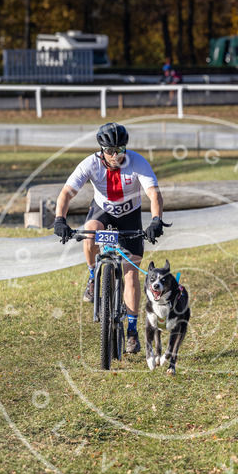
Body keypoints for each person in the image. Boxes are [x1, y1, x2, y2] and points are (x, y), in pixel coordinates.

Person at [53, 122, 169, 354]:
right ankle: (92, 276)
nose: (116, 155)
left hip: (130, 216)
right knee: (89, 233)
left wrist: (156, 220)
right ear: (102, 150)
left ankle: (132, 331)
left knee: (131, 273)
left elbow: (154, 194)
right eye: (110, 151)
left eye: (120, 150)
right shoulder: (90, 164)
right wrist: (60, 219)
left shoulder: (137, 162)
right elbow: (66, 193)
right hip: (102, 212)